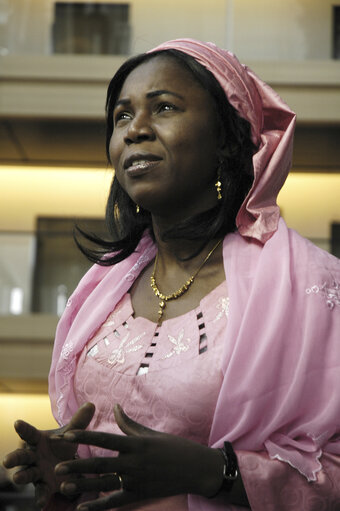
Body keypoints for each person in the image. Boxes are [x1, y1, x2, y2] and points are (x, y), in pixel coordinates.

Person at [3, 38, 340, 511]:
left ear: (226, 137)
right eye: (121, 116)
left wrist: (211, 472)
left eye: (163, 107)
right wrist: (73, 468)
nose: (135, 130)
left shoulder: (312, 288)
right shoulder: (102, 288)